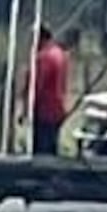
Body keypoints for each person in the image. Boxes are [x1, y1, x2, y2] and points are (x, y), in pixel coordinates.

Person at [25, 25, 73, 157]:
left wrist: (27, 108)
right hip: (57, 108)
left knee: (42, 149)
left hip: (44, 110)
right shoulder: (60, 54)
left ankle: (42, 174)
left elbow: (37, 85)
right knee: (51, 146)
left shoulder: (44, 57)